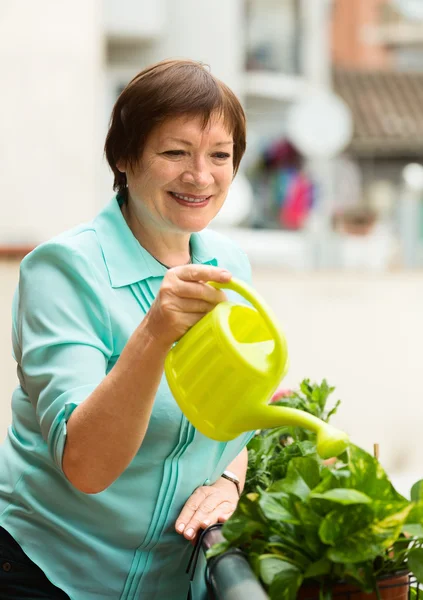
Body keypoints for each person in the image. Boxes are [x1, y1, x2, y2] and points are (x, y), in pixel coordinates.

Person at [0, 59, 256, 599]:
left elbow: (239, 414)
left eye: (219, 155)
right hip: (45, 572)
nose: (200, 175)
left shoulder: (230, 266)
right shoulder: (63, 270)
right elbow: (87, 465)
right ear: (124, 155)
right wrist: (154, 331)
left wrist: (229, 480)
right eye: (174, 152)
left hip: (171, 583)